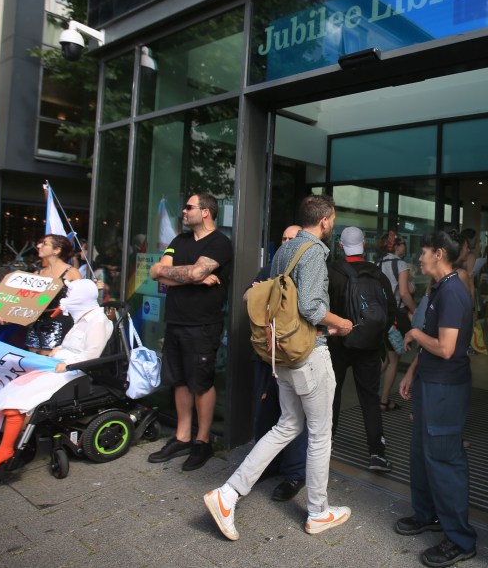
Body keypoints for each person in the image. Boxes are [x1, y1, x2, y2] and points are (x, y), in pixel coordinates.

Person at [204, 194, 353, 540]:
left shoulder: (284, 250)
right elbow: (314, 309)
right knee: (319, 433)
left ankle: (227, 494)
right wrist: (341, 322)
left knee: (286, 425)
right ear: (326, 220)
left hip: (281, 351)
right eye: (333, 219)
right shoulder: (314, 251)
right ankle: (317, 512)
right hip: (307, 353)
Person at [396, 230, 477, 568]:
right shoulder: (439, 288)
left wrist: (414, 333)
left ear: (439, 253)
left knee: (444, 460)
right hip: (430, 382)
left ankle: (459, 539)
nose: (419, 258)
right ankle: (427, 514)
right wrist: (413, 370)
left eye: (424, 251)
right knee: (422, 454)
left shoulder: (453, 293)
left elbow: (445, 348)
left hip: (445, 389)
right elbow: (434, 341)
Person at [0, 279, 112, 471]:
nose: (66, 297)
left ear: (80, 297)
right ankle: (5, 442)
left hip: (72, 372)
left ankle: (6, 449)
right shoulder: (84, 319)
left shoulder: (97, 321)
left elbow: (91, 354)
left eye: (70, 293)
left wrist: (66, 363)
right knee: (9, 389)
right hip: (57, 366)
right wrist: (58, 349)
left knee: (17, 399)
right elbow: (73, 345)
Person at [147, 193, 234, 472]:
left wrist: (180, 275)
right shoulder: (179, 241)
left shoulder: (220, 243)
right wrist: (193, 276)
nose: (183, 211)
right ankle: (182, 437)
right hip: (175, 322)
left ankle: (202, 441)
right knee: (179, 381)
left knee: (201, 383)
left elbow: (178, 273)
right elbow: (155, 273)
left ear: (206, 212)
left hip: (203, 324)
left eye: (189, 207)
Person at [245, 224, 308, 502]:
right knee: (267, 410)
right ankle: (269, 465)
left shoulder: (308, 269)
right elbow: (247, 297)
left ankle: (295, 473)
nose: (286, 242)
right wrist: (263, 292)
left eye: (291, 238)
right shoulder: (270, 267)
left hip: (294, 355)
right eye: (282, 238)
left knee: (295, 416)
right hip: (266, 353)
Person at [327, 226, 396, 472]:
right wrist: (374, 335)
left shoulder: (332, 272)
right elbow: (390, 310)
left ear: (341, 246)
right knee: (369, 398)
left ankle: (325, 447)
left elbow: (323, 310)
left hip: (338, 345)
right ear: (364, 245)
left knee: (331, 396)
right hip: (368, 347)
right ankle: (377, 453)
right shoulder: (378, 274)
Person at [23, 234, 82, 355]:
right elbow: (24, 300)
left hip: (59, 323)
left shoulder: (72, 272)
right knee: (32, 361)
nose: (38, 246)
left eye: (44, 244)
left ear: (57, 250)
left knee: (50, 362)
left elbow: (81, 300)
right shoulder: (38, 273)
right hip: (36, 323)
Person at [379, 231, 416, 411]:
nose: (405, 246)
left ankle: (369, 391)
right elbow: (404, 293)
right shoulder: (400, 264)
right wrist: (415, 311)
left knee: (386, 356)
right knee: (394, 359)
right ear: (396, 246)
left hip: (381, 315)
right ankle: (383, 402)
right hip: (396, 316)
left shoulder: (378, 263)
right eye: (403, 243)